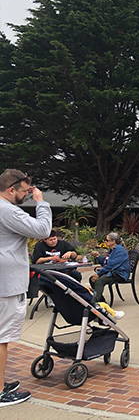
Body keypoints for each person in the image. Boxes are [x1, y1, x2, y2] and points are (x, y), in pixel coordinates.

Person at [0, 169, 52, 406]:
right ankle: (0, 391)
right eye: (24, 191)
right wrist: (41, 202)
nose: (27, 195)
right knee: (1, 338)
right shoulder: (7, 209)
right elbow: (42, 230)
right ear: (11, 190)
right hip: (6, 285)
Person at [89, 232, 130, 304]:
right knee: (92, 279)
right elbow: (106, 262)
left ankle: (94, 303)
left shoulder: (120, 250)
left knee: (100, 280)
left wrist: (99, 274)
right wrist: (97, 256)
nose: (105, 241)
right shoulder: (112, 250)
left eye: (107, 240)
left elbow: (111, 266)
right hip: (113, 272)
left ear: (113, 241)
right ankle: (101, 301)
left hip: (120, 274)